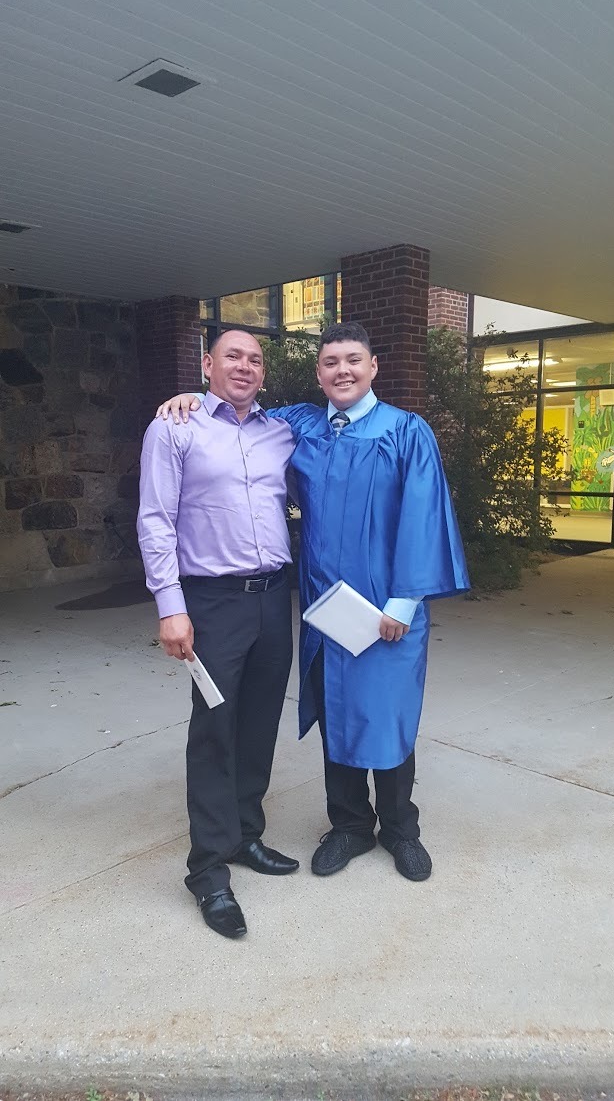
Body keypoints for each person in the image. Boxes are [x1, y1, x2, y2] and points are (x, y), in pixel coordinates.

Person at [157, 321, 469, 885]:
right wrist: (190, 398)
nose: (342, 371)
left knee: (389, 713)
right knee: (335, 711)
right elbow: (236, 409)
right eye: (330, 363)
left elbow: (424, 516)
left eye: (353, 360)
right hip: (327, 609)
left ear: (373, 367)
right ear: (318, 374)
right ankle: (349, 825)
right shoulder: (299, 425)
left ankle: (401, 829)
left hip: (387, 609)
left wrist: (404, 602)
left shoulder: (405, 431)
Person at [138, 329, 299, 941]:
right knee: (213, 732)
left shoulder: (280, 431)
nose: (245, 366)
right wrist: (170, 606)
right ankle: (207, 870)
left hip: (273, 599)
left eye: (255, 359)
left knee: (258, 724)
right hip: (212, 603)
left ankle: (244, 835)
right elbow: (156, 519)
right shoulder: (174, 428)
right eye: (233, 355)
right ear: (207, 364)